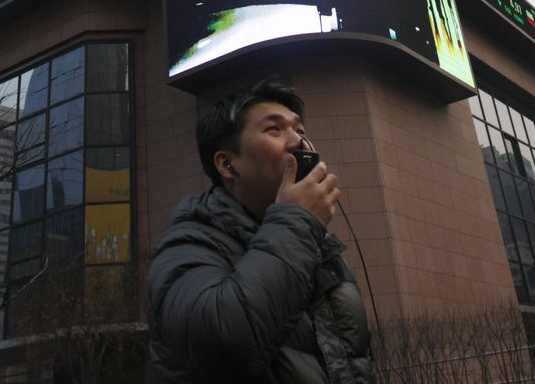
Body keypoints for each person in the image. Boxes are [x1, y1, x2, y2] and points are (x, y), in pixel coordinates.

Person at [146, 79, 375, 383]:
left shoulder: (319, 248)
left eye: (301, 130)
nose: (298, 141)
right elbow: (223, 342)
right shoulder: (186, 244)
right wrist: (296, 221)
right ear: (227, 164)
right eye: (274, 130)